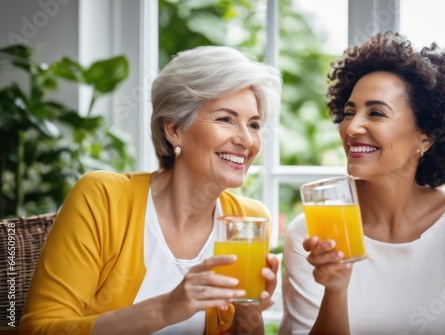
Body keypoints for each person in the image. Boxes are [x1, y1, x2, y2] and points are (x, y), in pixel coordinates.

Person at [19, 45, 282, 335]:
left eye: (254, 124)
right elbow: (39, 329)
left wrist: (250, 315)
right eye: (225, 119)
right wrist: (167, 308)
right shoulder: (103, 198)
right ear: (173, 129)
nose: (247, 140)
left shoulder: (248, 220)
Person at [279, 32, 445, 334]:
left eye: (376, 113)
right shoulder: (313, 231)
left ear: (426, 135)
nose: (352, 127)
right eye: (348, 112)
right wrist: (335, 291)